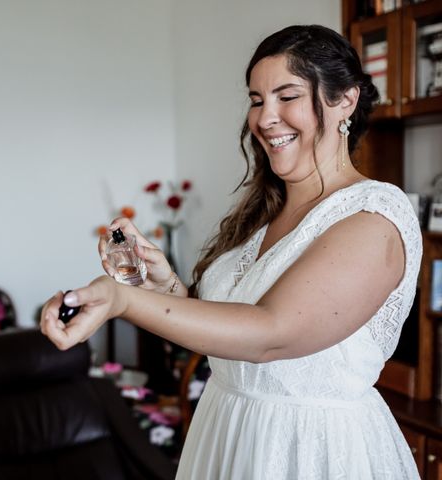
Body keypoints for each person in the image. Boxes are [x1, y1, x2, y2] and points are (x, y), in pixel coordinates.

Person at [40, 24, 422, 479]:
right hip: (227, 433)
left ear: (345, 100)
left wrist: (123, 300)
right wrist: (167, 289)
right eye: (257, 100)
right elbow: (229, 341)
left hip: (310, 450)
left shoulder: (374, 217)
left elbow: (271, 334)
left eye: (287, 96)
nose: (264, 118)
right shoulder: (263, 213)